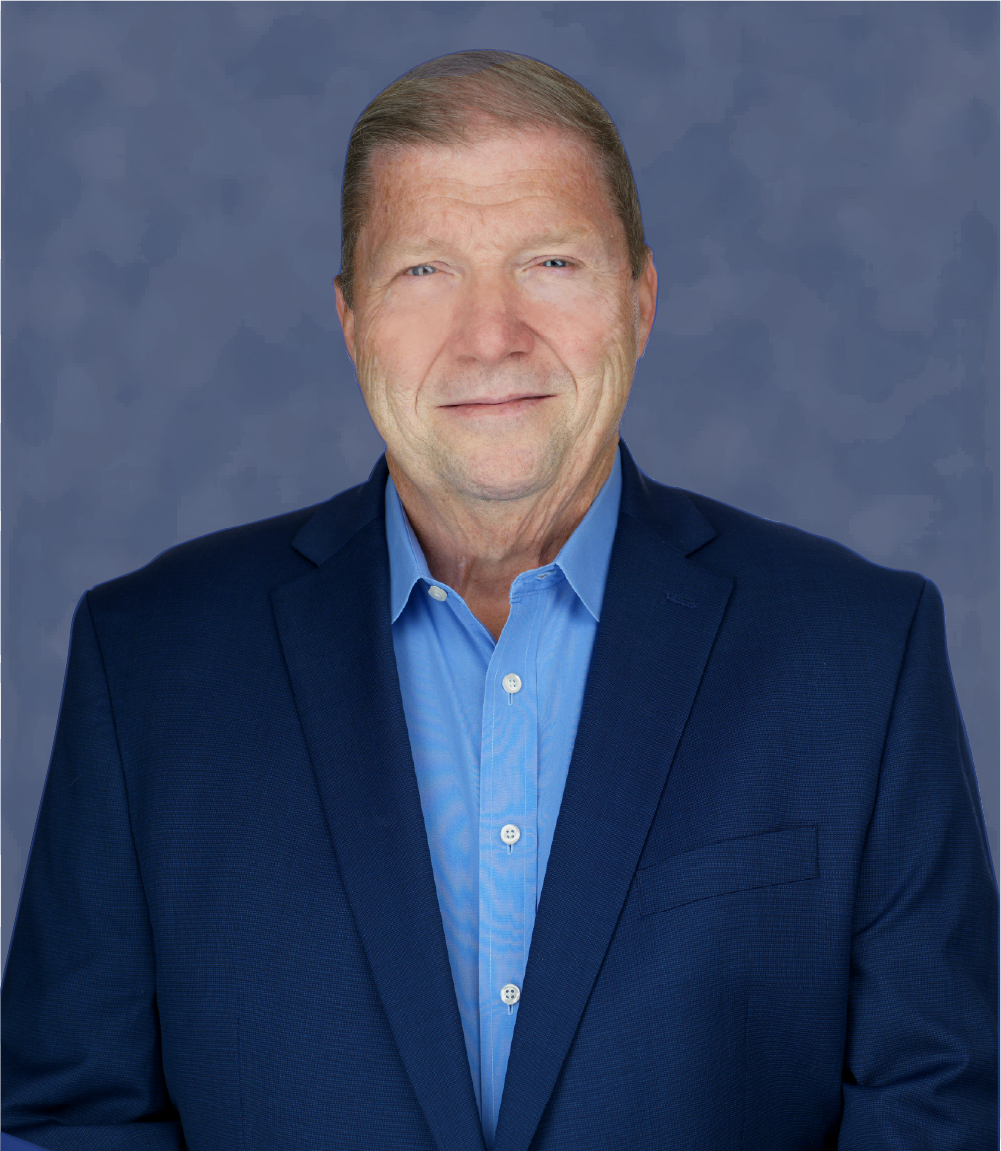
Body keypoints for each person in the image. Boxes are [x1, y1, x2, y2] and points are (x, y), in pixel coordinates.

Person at [2, 49, 996, 1151]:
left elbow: (935, 1104)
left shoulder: (856, 652)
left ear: (640, 299)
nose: (489, 335)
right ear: (349, 322)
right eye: (423, 270)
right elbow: (70, 1115)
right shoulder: (150, 663)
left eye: (551, 261)